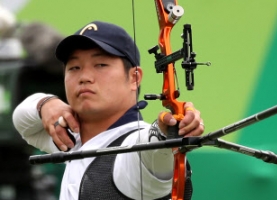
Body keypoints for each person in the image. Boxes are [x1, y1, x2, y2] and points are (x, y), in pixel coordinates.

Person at [12, 21, 204, 200]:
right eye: (74, 67)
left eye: (101, 65)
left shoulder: (133, 146)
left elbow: (152, 149)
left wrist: (167, 131)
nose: (84, 77)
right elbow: (21, 119)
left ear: (134, 78)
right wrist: (46, 103)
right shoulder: (69, 137)